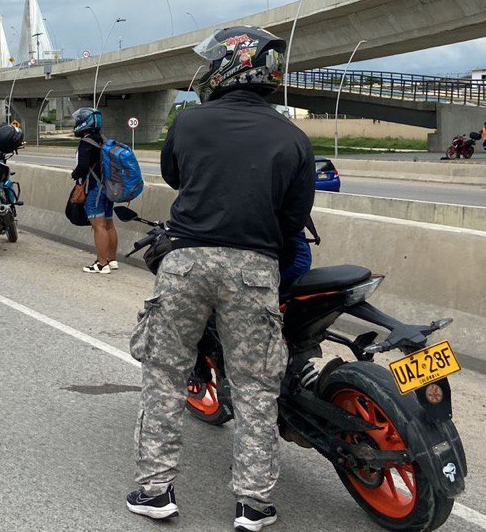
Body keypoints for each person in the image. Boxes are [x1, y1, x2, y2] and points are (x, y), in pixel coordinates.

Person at [127, 26, 315, 531]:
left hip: (187, 263)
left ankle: (154, 490)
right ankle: (252, 504)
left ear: (230, 66)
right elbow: (294, 221)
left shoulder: (189, 123)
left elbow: (175, 175)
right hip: (254, 270)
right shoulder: (294, 137)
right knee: (256, 387)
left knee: (165, 374)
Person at [70, 107, 118, 274]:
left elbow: (83, 167)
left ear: (84, 122)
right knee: (109, 224)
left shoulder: (86, 141)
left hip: (94, 188)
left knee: (98, 226)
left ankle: (101, 264)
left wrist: (74, 174)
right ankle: (112, 260)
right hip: (108, 187)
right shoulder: (102, 140)